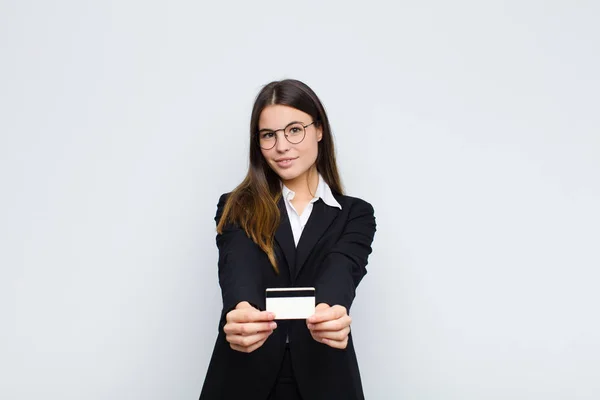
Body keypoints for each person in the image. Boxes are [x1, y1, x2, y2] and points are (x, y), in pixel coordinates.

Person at [199, 79, 376, 400]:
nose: (281, 146)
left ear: (319, 129)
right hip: (242, 376)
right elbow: (237, 264)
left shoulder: (355, 214)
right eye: (269, 135)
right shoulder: (237, 205)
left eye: (295, 130)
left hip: (326, 378)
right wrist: (240, 308)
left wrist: (330, 308)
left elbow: (343, 267)